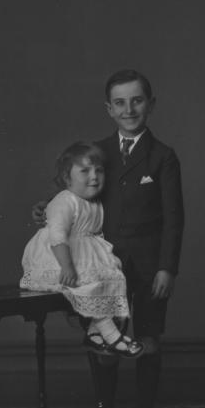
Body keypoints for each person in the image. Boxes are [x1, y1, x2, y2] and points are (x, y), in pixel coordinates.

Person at [33, 69, 184, 408]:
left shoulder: (163, 156)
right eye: (120, 102)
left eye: (137, 100)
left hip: (150, 264)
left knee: (148, 339)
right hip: (101, 265)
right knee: (104, 340)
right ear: (109, 109)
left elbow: (173, 217)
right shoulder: (96, 152)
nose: (129, 109)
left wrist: (167, 267)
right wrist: (46, 210)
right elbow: (72, 194)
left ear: (151, 104)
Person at [21, 141, 143, 358]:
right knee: (88, 284)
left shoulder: (95, 202)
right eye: (85, 171)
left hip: (85, 254)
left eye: (99, 170)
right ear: (67, 178)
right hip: (58, 257)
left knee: (112, 280)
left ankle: (94, 334)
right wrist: (66, 266)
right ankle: (112, 335)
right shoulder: (65, 200)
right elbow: (57, 236)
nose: (94, 176)